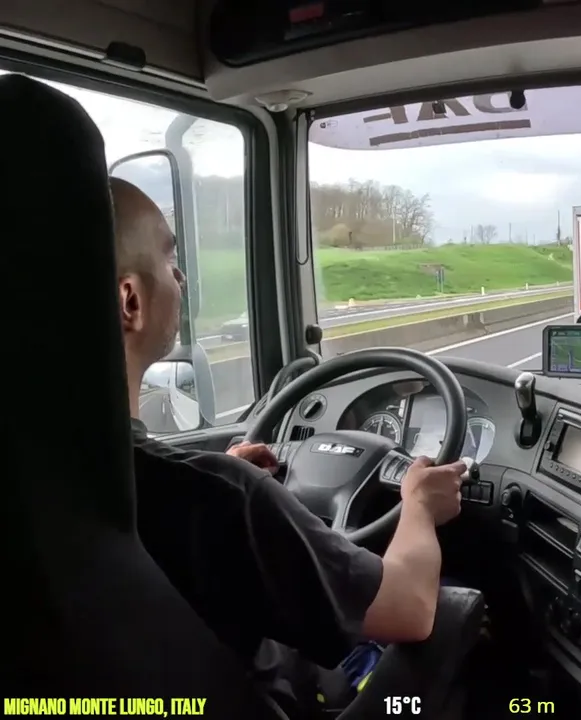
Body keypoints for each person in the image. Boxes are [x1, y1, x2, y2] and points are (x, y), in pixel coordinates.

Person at [110, 177, 465, 717]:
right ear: (130, 301)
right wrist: (418, 504)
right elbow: (411, 608)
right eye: (169, 258)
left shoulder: (167, 491)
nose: (180, 277)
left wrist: (220, 477)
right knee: (458, 610)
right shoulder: (218, 499)